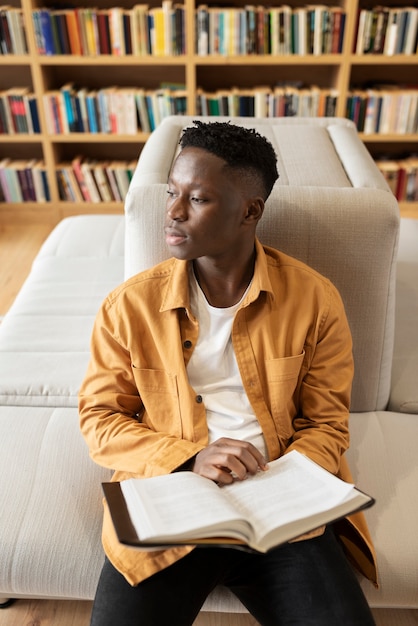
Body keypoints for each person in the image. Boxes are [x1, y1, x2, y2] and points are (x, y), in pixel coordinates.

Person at [79, 120, 377, 625]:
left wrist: (279, 482)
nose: (172, 211)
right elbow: (99, 418)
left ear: (249, 210)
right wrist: (191, 457)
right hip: (171, 504)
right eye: (173, 192)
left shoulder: (314, 299)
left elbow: (328, 425)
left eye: (197, 199)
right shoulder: (128, 307)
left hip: (283, 511)